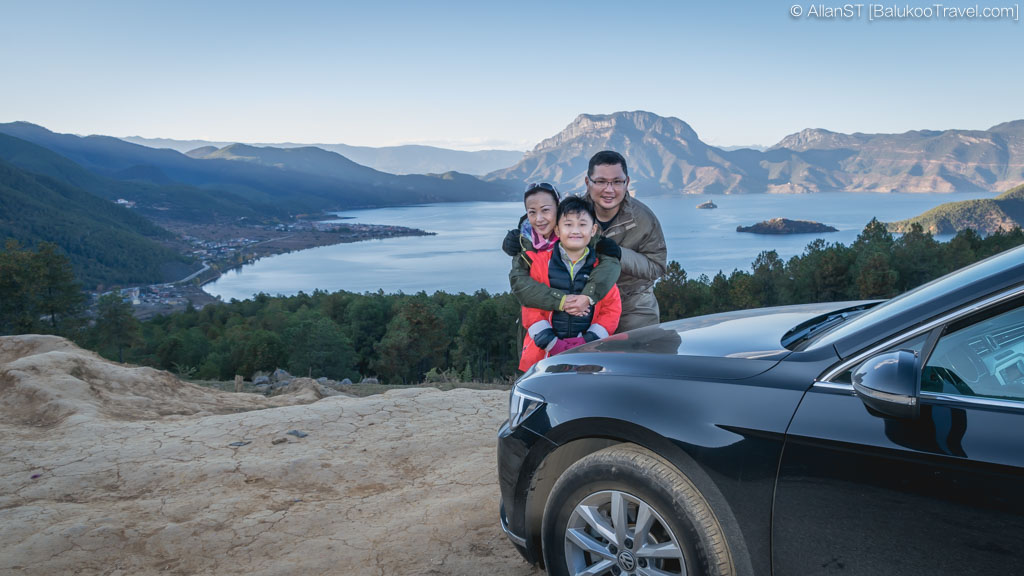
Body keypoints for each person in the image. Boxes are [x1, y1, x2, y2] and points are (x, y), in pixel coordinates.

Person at [502, 182, 621, 354]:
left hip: (586, 339)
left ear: (558, 208)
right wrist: (562, 303)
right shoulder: (525, 243)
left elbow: (609, 279)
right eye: (532, 212)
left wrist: (588, 298)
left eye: (545, 210)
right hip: (541, 338)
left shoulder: (586, 241)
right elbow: (521, 286)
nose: (539, 219)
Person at [583, 150, 667, 332]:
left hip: (633, 307)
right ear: (588, 182)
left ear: (627, 182)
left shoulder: (644, 219)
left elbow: (657, 266)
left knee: (640, 350)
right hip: (583, 306)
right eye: (601, 181)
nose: (609, 189)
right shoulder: (571, 214)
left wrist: (620, 254)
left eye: (617, 182)